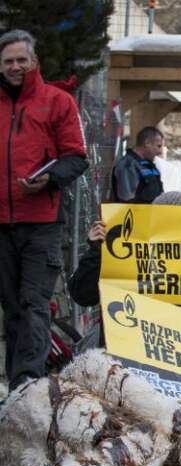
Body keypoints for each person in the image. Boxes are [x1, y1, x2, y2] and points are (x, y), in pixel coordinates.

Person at [0, 30, 88, 389]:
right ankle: (14, 385)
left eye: (22, 60)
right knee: (12, 309)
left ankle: (28, 384)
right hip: (2, 223)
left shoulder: (57, 102)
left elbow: (76, 157)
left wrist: (49, 179)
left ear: (34, 62)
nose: (16, 66)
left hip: (41, 222)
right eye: (9, 61)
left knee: (34, 304)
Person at [67, 191, 181, 349]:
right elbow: (82, 295)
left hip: (171, 354)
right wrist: (96, 251)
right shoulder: (123, 250)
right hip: (124, 348)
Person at [111, 126, 164, 203]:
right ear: (147, 143)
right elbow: (127, 202)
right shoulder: (128, 165)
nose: (160, 152)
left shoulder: (149, 165)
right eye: (158, 146)